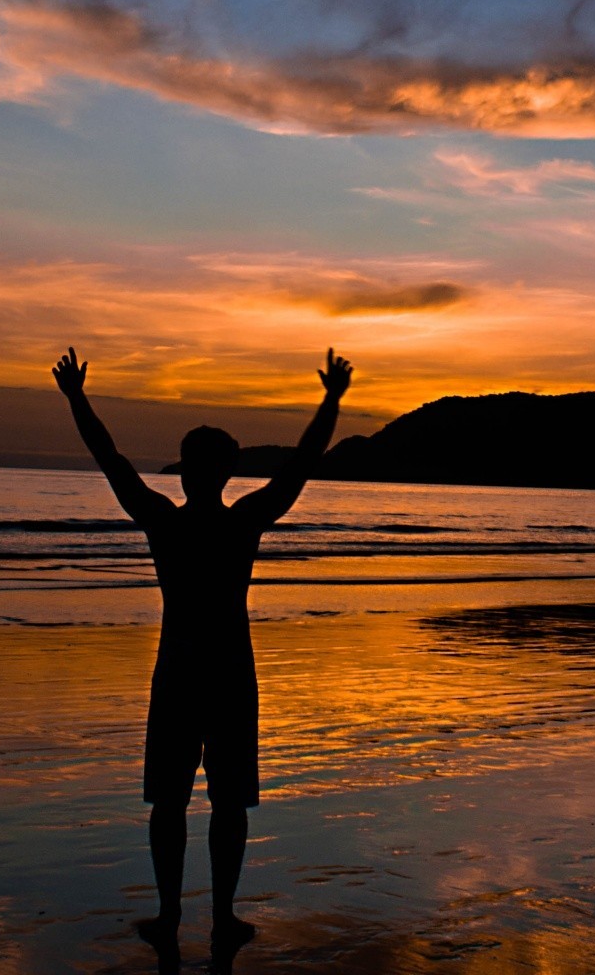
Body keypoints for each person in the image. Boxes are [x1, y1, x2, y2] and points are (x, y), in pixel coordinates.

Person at [51, 346, 353, 949]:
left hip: (187, 673)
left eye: (194, 462)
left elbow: (113, 462)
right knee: (217, 802)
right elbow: (299, 466)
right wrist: (329, 402)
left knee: (187, 801)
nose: (191, 471)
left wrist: (79, 400)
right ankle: (211, 916)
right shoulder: (236, 522)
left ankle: (185, 916)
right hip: (225, 674)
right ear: (221, 473)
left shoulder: (169, 521)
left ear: (196, 473)